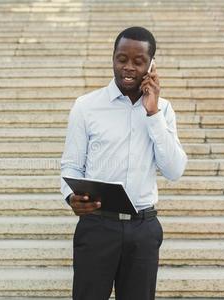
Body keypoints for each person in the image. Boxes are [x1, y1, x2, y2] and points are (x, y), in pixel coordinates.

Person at [60, 26, 188, 300]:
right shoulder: (86, 106)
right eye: (121, 59)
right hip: (97, 226)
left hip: (143, 229)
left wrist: (152, 113)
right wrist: (71, 197)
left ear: (152, 64)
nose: (128, 67)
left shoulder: (163, 109)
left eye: (138, 61)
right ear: (113, 58)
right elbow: (71, 166)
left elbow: (174, 170)